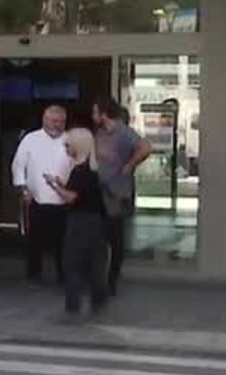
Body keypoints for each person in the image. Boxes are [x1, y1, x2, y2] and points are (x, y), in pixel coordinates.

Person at [49, 126, 110, 319]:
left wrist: (54, 187)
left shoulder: (79, 171)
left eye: (68, 145)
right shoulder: (93, 170)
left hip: (80, 221)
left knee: (72, 262)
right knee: (95, 262)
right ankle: (99, 299)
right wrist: (61, 184)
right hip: (96, 221)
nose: (66, 148)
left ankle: (73, 305)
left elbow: (71, 198)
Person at [92, 98, 151, 296]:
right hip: (100, 191)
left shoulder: (123, 132)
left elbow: (145, 148)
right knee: (98, 237)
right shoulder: (100, 133)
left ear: (103, 113)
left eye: (95, 112)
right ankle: (98, 277)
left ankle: (112, 280)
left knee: (115, 238)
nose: (93, 116)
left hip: (116, 192)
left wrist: (130, 165)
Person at [11, 104, 71, 286]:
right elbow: (18, 165)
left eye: (61, 122)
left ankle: (63, 274)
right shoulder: (31, 139)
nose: (57, 125)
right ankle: (34, 273)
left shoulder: (70, 139)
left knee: (63, 241)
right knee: (34, 239)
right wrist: (23, 188)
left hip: (63, 200)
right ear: (45, 120)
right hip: (36, 198)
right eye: (54, 121)